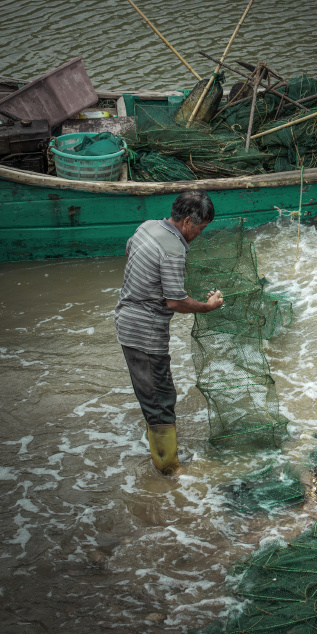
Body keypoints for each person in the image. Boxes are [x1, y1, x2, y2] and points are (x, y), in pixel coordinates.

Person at [114, 191, 223, 474]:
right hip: (144, 334)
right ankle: (169, 472)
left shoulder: (147, 227)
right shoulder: (174, 249)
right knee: (160, 400)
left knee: (154, 395)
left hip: (126, 320)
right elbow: (175, 301)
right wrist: (207, 307)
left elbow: (131, 253)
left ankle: (163, 457)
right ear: (187, 221)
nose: (199, 233)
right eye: (200, 228)